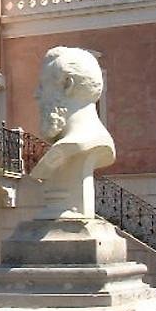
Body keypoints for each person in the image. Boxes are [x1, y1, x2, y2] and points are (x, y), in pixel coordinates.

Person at [30, 47, 115, 219]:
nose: (36, 95)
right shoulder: (64, 147)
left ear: (68, 84)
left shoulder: (83, 143)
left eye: (42, 86)